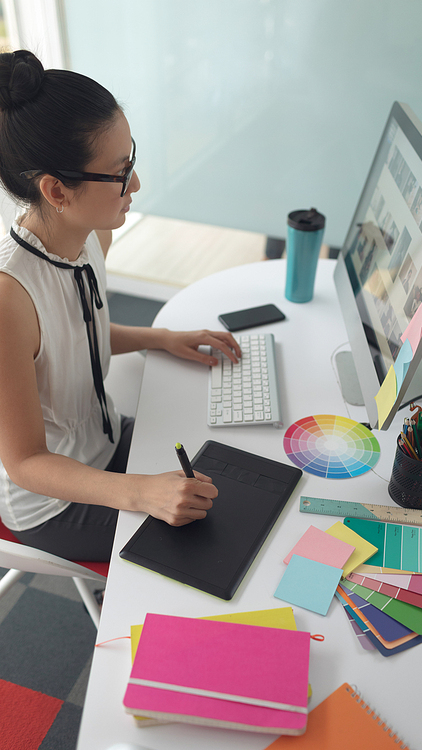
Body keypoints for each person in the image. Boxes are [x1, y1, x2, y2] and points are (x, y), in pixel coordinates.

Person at [0, 50, 241, 562]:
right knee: (207, 542)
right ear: (56, 190)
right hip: (51, 499)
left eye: (131, 159)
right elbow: (24, 462)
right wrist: (141, 492)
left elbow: (74, 336)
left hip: (105, 442)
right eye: (119, 172)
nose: (135, 185)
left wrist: (160, 338)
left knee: (227, 476)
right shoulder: (7, 299)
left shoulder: (88, 237)